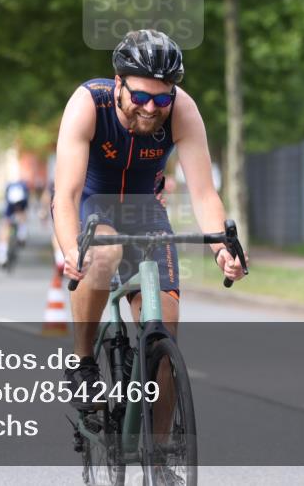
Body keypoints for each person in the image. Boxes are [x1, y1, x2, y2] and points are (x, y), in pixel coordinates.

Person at [52, 29, 248, 410]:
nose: (150, 108)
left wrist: (222, 249)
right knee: (103, 255)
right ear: (118, 85)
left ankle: (160, 460)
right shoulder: (89, 104)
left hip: (145, 209)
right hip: (93, 205)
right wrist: (72, 249)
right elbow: (67, 195)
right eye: (140, 96)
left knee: (163, 337)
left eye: (161, 98)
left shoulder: (182, 109)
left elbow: (204, 193)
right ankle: (83, 363)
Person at [0, 178, 30, 267]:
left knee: (5, 226)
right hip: (22, 202)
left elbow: (6, 200)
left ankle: (2, 255)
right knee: (22, 215)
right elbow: (26, 203)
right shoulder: (24, 186)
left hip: (10, 205)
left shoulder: (9, 186)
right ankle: (22, 235)